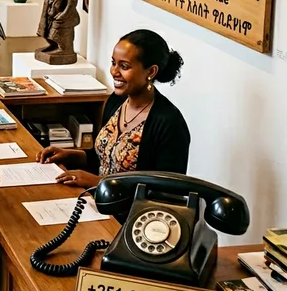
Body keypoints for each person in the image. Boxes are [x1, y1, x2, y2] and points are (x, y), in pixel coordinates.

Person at [37, 30, 190, 188]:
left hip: (124, 204)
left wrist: (98, 182)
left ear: (151, 71)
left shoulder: (170, 124)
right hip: (96, 196)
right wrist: (70, 155)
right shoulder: (116, 101)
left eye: (124, 66)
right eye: (113, 63)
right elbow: (104, 158)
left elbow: (167, 191)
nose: (114, 72)